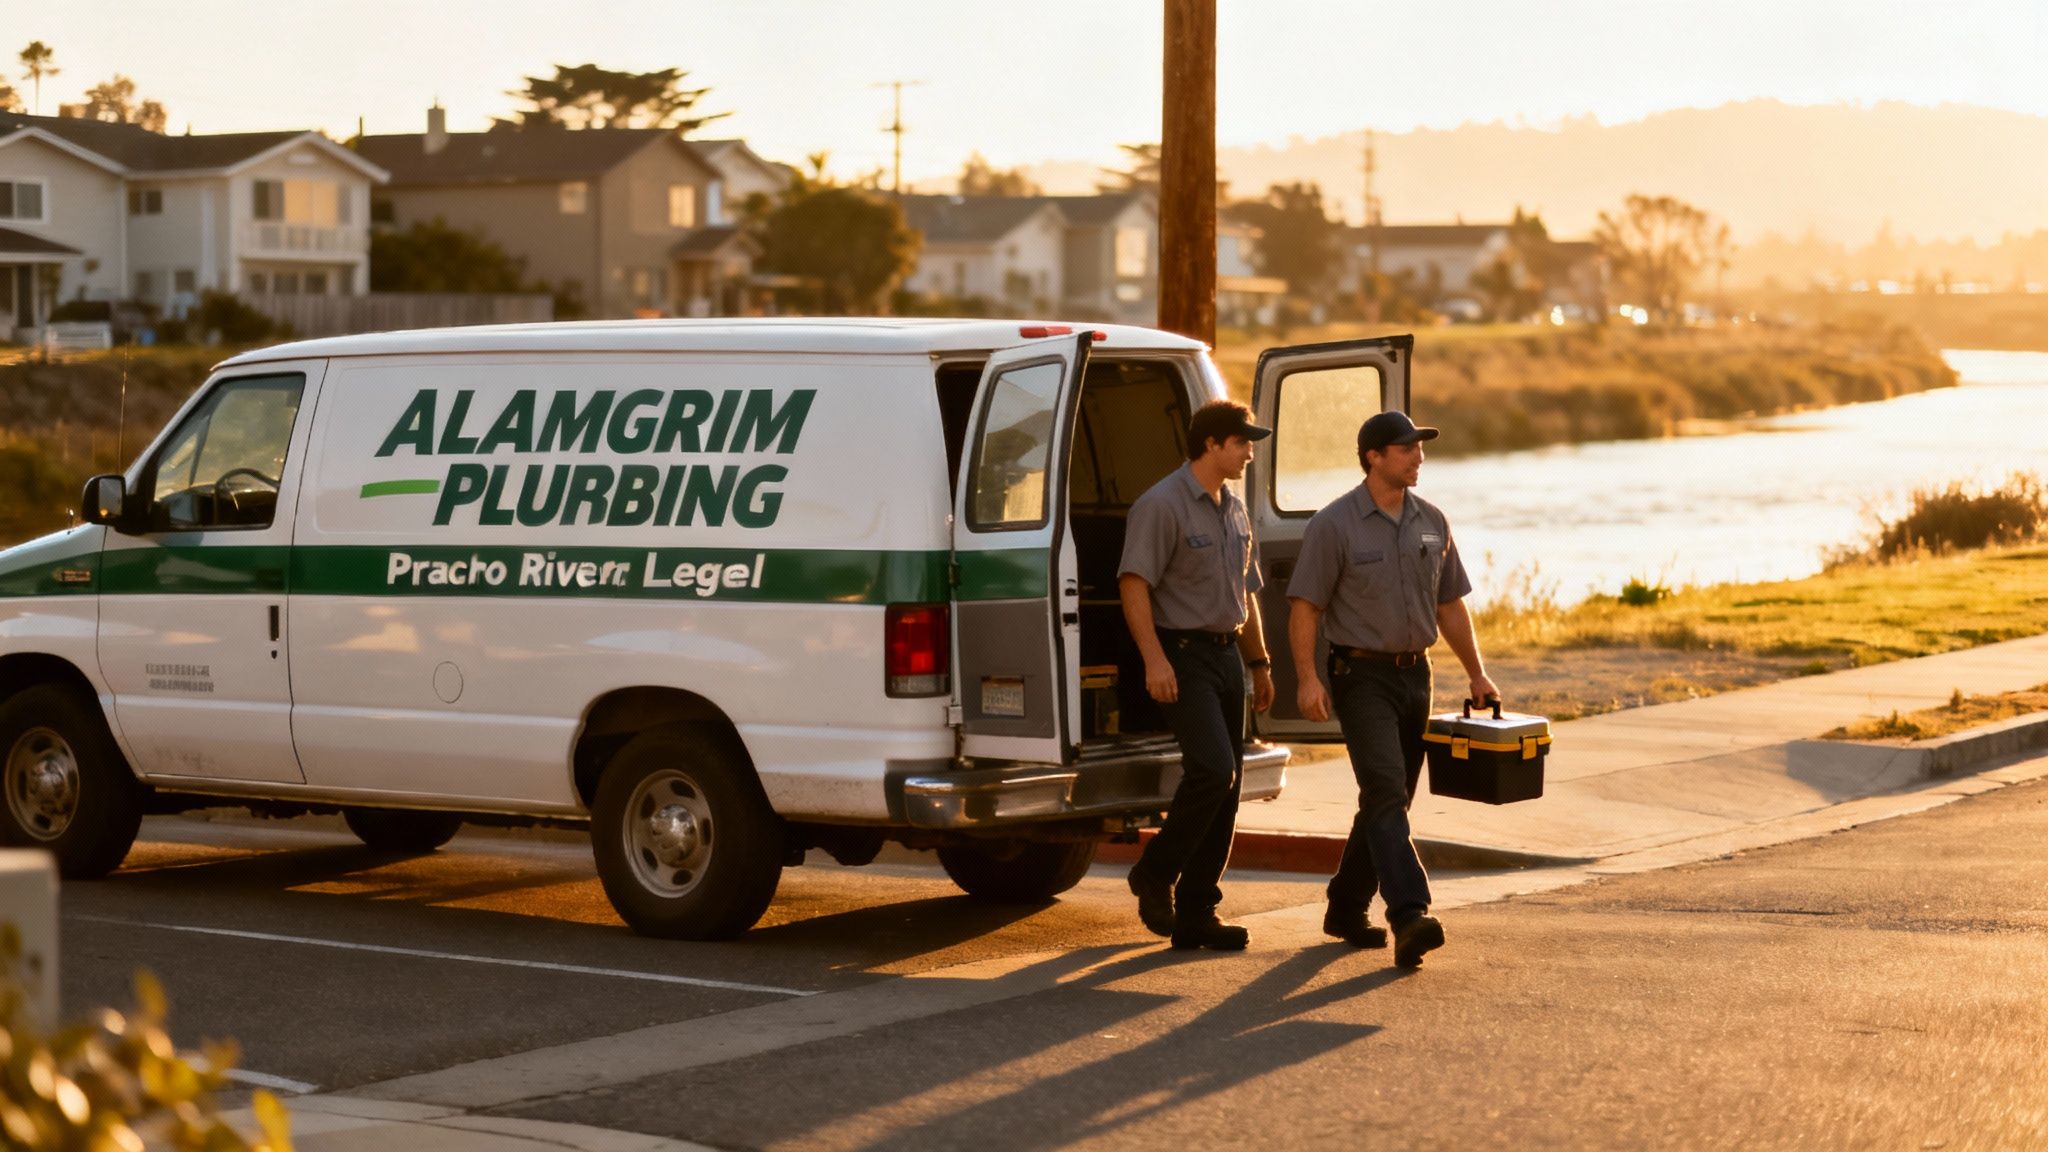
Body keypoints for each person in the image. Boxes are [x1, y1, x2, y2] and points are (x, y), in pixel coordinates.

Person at [1286, 409, 1498, 968]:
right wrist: (1307, 678)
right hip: (1360, 677)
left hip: (1415, 674)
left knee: (1391, 799)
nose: (1418, 456)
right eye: (1406, 448)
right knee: (1384, 791)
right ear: (1373, 457)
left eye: (1420, 447)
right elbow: (1306, 605)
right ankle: (1409, 914)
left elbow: (1449, 604)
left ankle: (1344, 906)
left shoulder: (1432, 520)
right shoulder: (1334, 525)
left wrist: (1476, 673)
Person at [1118, 399, 1276, 950]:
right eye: (1242, 442)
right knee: (1212, 770)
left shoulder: (1233, 507)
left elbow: (1247, 592)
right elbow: (1134, 583)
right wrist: (1154, 659)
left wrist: (1259, 663)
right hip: (1181, 654)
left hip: (1227, 654)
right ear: (1212, 444)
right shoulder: (1162, 505)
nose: (1250, 452)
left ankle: (1197, 914)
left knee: (1227, 788)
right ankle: (1154, 872)